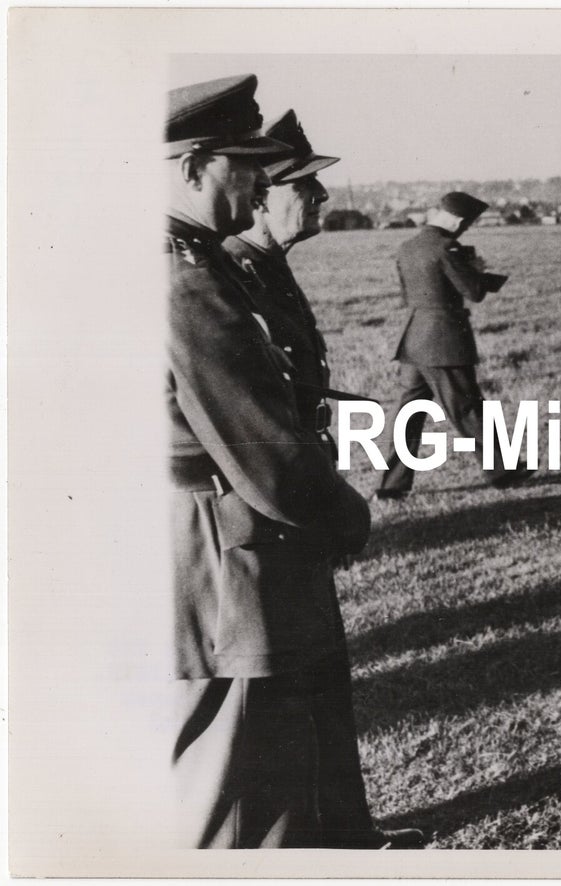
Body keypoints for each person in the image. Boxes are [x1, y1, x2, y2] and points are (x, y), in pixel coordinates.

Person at [165, 75, 397, 850]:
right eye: (247, 164)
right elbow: (262, 449)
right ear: (196, 166)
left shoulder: (193, 263)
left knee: (271, 774)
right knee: (243, 798)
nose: (264, 180)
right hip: (232, 567)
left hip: (228, 554)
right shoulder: (186, 280)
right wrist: (345, 511)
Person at [221, 109, 424, 849]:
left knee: (323, 682)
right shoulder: (233, 275)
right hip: (273, 515)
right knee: (289, 696)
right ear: (263, 192)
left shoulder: (265, 269)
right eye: (307, 186)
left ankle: (348, 834)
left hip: (299, 503)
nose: (323, 199)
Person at [376, 192, 533, 499]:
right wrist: (476, 267)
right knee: (467, 407)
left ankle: (390, 487)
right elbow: (473, 292)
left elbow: (407, 295)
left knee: (407, 416)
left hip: (413, 339)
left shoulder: (408, 246)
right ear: (460, 221)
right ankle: (502, 471)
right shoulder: (448, 247)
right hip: (444, 341)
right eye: (468, 225)